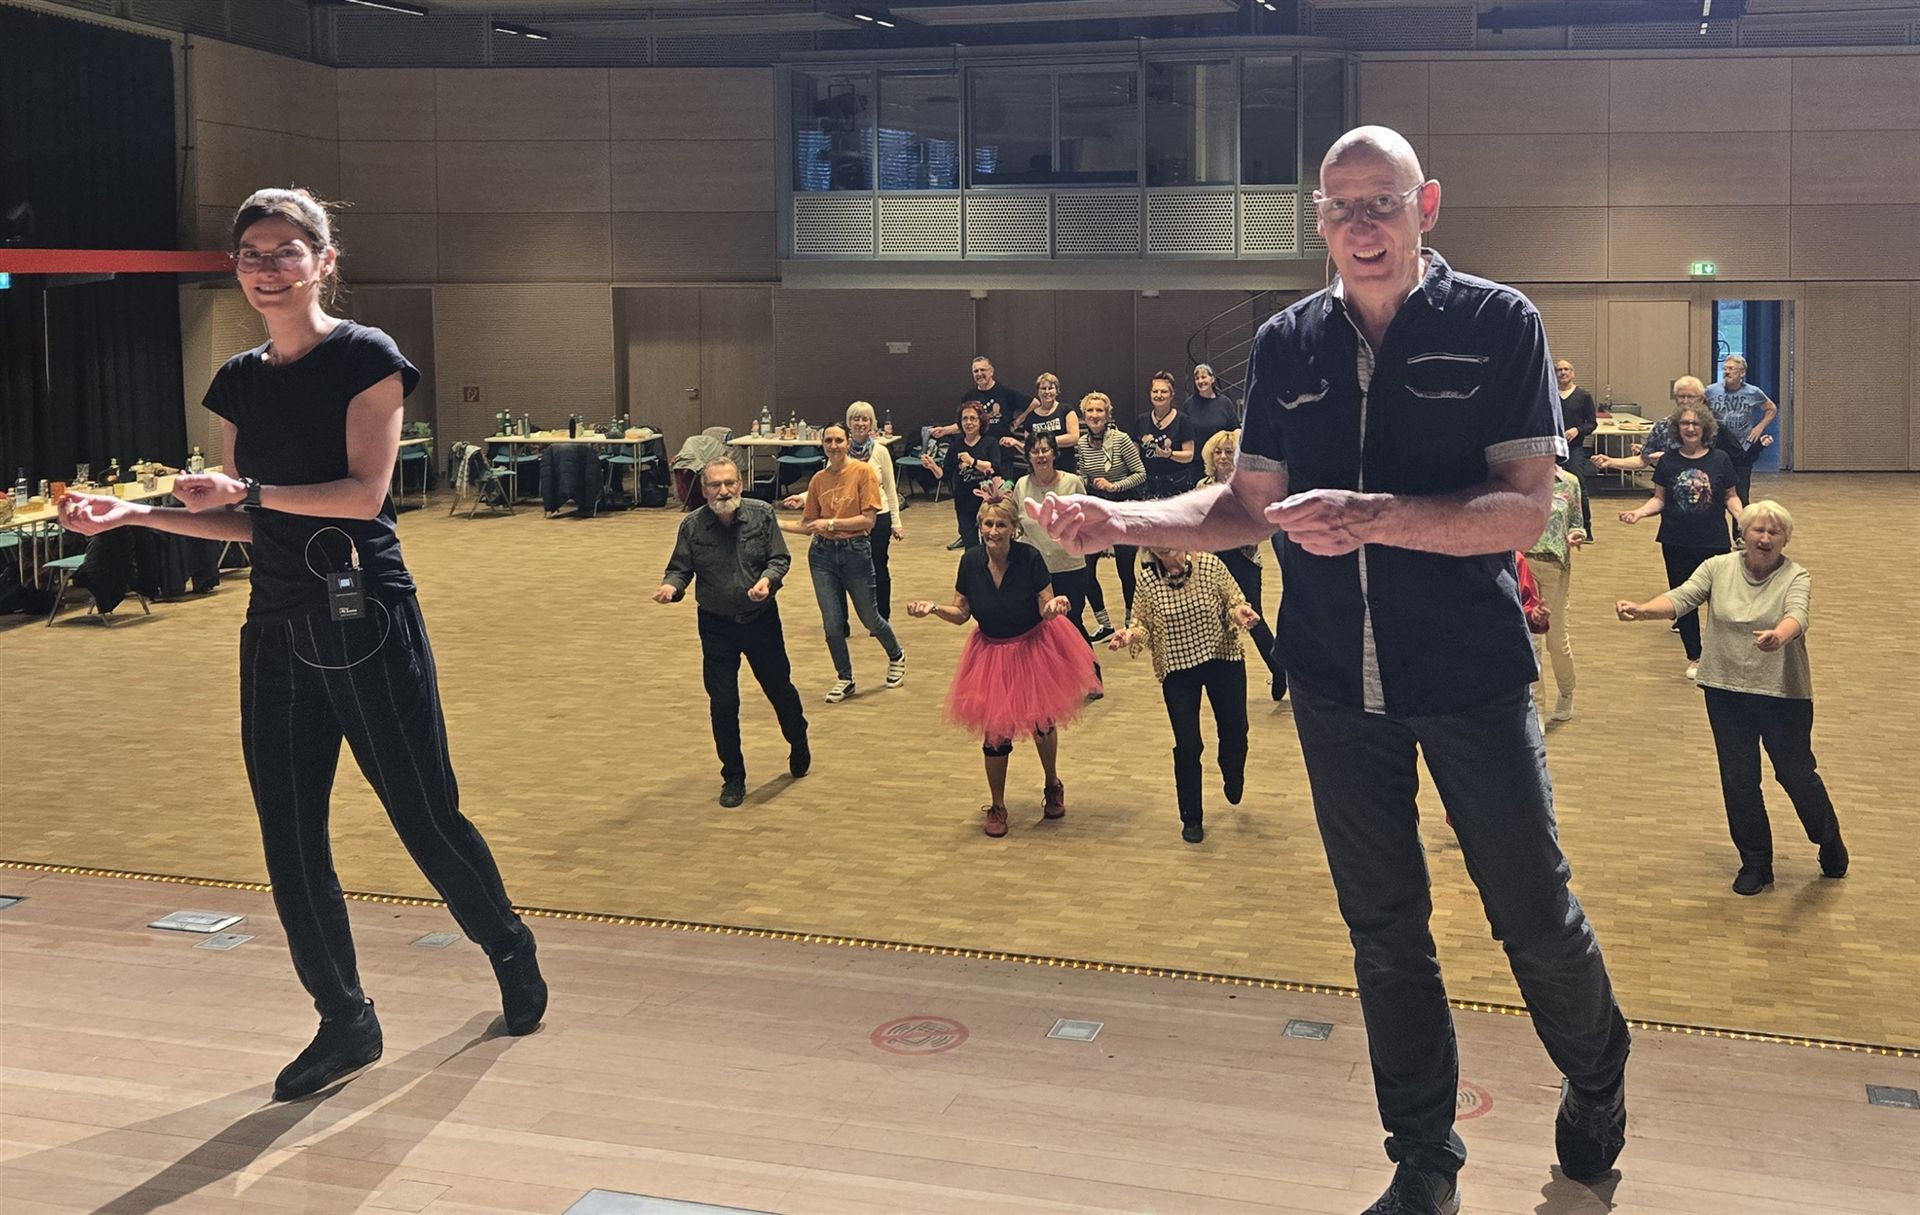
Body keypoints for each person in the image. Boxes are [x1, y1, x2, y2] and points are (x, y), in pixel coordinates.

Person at [1027, 126, 1631, 1215]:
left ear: (1425, 207)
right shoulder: (1288, 344)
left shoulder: (1499, 324)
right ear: (1318, 219)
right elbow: (1244, 507)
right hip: (1335, 687)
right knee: (1385, 930)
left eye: (1381, 202)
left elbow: (1522, 511)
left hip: (1470, 677)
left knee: (1532, 913)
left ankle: (1597, 1080)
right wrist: (1120, 519)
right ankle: (1424, 1157)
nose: (1362, 225)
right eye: (1341, 206)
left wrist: (1376, 516)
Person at [57, 187, 546, 1102]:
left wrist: (245, 491)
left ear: (324, 260)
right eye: (252, 253)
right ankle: (345, 1018)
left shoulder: (367, 357)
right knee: (289, 837)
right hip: (277, 628)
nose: (268, 268)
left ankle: (509, 946)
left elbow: (362, 496)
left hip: (366, 620)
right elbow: (247, 521)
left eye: (287, 250)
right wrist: (133, 513)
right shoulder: (237, 380)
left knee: (423, 814)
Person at [1614, 500, 1846, 896]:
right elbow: (1683, 596)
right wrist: (1644, 610)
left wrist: (1780, 636)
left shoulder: (1796, 575)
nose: (1765, 538)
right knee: (1739, 780)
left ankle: (1828, 839)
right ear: (1743, 533)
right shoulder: (1717, 567)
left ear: (1785, 540)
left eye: (1774, 532)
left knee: (1796, 775)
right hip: (1725, 689)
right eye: (1758, 530)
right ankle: (1755, 863)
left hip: (1782, 692)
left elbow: (1798, 615)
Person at [906, 485, 1099, 838]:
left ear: (1014, 528)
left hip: (1031, 648)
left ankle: (1052, 783)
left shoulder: (1030, 558)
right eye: (988, 524)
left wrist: (1055, 608)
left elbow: (1045, 606)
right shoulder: (970, 561)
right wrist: (933, 609)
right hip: (991, 653)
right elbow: (962, 612)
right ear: (980, 527)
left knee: (1042, 723)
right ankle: (997, 805)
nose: (993, 531)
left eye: (1000, 525)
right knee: (995, 735)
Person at [659, 456, 810, 808]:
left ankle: (798, 738)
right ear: (704, 489)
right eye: (715, 485)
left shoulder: (761, 514)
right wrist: (671, 587)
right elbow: (680, 568)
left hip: (761, 621)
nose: (723, 491)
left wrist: (767, 581)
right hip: (716, 626)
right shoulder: (692, 525)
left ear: (740, 484)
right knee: (723, 703)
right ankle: (733, 775)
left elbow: (779, 559)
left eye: (729, 483)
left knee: (779, 688)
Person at [1111, 547, 1260, 844]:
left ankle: (1232, 770)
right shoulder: (1148, 580)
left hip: (1222, 657)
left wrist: (1240, 613)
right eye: (1156, 540)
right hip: (1178, 668)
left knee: (1235, 730)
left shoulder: (1210, 565)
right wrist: (1129, 636)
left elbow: (1233, 601)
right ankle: (1191, 817)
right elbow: (1141, 624)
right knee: (1188, 744)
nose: (1163, 545)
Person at [1617, 402, 1742, 679]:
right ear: (1677, 428)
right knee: (1684, 601)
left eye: (1695, 423)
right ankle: (1695, 656)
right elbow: (1659, 499)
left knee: (1720, 602)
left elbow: (1731, 496)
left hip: (1714, 541)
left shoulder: (1720, 459)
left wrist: (1743, 518)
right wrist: (1639, 513)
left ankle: (1720, 654)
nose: (1690, 428)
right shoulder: (1668, 461)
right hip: (1676, 541)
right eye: (1685, 423)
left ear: (1705, 428)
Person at [784, 423, 907, 703]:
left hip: (855, 551)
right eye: (828, 440)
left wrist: (830, 523)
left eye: (839, 440)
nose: (834, 445)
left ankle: (896, 654)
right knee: (832, 624)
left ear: (848, 442)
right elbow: (808, 525)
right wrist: (774, 522)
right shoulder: (818, 480)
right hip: (822, 556)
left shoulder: (863, 472)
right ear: (822, 445)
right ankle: (845, 677)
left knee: (870, 617)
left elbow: (868, 521)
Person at [786, 401, 903, 617]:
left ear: (871, 423)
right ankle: (841, 622)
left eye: (865, 419)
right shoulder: (836, 452)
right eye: (855, 419)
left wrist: (896, 522)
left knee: (878, 568)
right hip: (845, 519)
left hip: (877, 517)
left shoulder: (880, 451)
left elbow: (890, 488)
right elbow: (828, 486)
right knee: (840, 572)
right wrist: (803, 498)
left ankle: (880, 618)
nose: (860, 423)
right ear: (849, 423)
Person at [1199, 428, 1285, 700]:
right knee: (1215, 620)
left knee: (1252, 617)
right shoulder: (1202, 486)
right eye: (1218, 452)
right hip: (1213, 562)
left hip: (1243, 560)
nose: (1223, 457)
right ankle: (1224, 681)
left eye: (1228, 451)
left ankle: (1278, 667)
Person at [1013, 431, 1099, 693]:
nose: (1041, 456)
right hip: (1035, 571)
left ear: (1054, 453)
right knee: (1039, 627)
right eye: (1035, 451)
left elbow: (1088, 519)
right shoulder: (1021, 486)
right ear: (1028, 456)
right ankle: (1052, 682)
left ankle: (1093, 678)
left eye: (1045, 450)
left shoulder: (1072, 483)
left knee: (1072, 623)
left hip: (1069, 566)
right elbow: (1018, 525)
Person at [1073, 391, 1145, 640]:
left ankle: (1130, 622)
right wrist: (1081, 483)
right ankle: (1104, 624)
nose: (1094, 415)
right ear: (1084, 415)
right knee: (1086, 570)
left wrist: (1115, 486)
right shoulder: (1082, 443)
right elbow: (1083, 473)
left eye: (1099, 410)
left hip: (1122, 508)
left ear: (1107, 414)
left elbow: (1140, 474)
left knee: (1125, 569)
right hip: (1096, 511)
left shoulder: (1121, 439)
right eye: (1090, 411)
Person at [1525, 465, 1589, 721]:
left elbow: (1577, 523)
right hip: (1523, 564)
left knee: (1556, 640)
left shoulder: (1569, 482)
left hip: (1555, 566)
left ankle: (1566, 690)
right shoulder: (1518, 479)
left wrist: (1576, 534)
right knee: (1531, 642)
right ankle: (1537, 709)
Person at [1703, 355, 1778, 508]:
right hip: (1718, 449)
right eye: (1725, 368)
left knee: (1741, 496)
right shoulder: (1711, 391)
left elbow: (1771, 409)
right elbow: (1698, 410)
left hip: (1742, 449)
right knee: (1714, 495)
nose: (1727, 372)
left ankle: (1740, 524)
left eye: (1731, 369)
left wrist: (1759, 427)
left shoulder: (1753, 392)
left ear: (1742, 372)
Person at [922, 401, 997, 552]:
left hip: (987, 502)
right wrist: (932, 466)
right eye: (965, 419)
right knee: (970, 545)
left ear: (980, 421)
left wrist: (972, 461)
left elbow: (995, 468)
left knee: (990, 543)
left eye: (973, 418)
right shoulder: (956, 446)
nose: (968, 422)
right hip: (963, 501)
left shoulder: (990, 442)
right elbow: (945, 475)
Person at [1555, 359, 1598, 542]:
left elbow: (1592, 424)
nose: (1563, 372)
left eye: (1566, 369)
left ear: (1573, 373)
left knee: (1578, 484)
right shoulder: (1549, 395)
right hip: (1553, 449)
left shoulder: (1583, 396)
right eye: (1559, 370)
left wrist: (1577, 430)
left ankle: (1585, 528)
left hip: (1574, 449)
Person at [1138, 370, 1197, 496]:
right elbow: (1135, 455)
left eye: (1164, 391)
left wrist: (1169, 454)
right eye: (1155, 391)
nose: (1158, 395)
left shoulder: (1183, 420)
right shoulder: (1142, 420)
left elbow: (1189, 455)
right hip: (1148, 485)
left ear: (1172, 395)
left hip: (1176, 484)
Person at [1012, 372, 1081, 473]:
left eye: (1051, 388)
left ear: (1057, 391)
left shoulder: (1066, 410)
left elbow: (1073, 437)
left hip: (1065, 468)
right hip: (1039, 471)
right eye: (1043, 388)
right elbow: (1029, 447)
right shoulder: (1031, 417)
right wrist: (1015, 443)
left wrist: (1044, 442)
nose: (1047, 391)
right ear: (1038, 392)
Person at [1184, 362, 1242, 454]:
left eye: (1203, 377)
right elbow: (1184, 433)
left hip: (1220, 458)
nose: (1200, 381)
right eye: (1197, 378)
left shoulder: (1225, 403)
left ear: (1212, 379)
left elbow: (1235, 430)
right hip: (1195, 459)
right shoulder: (1189, 404)